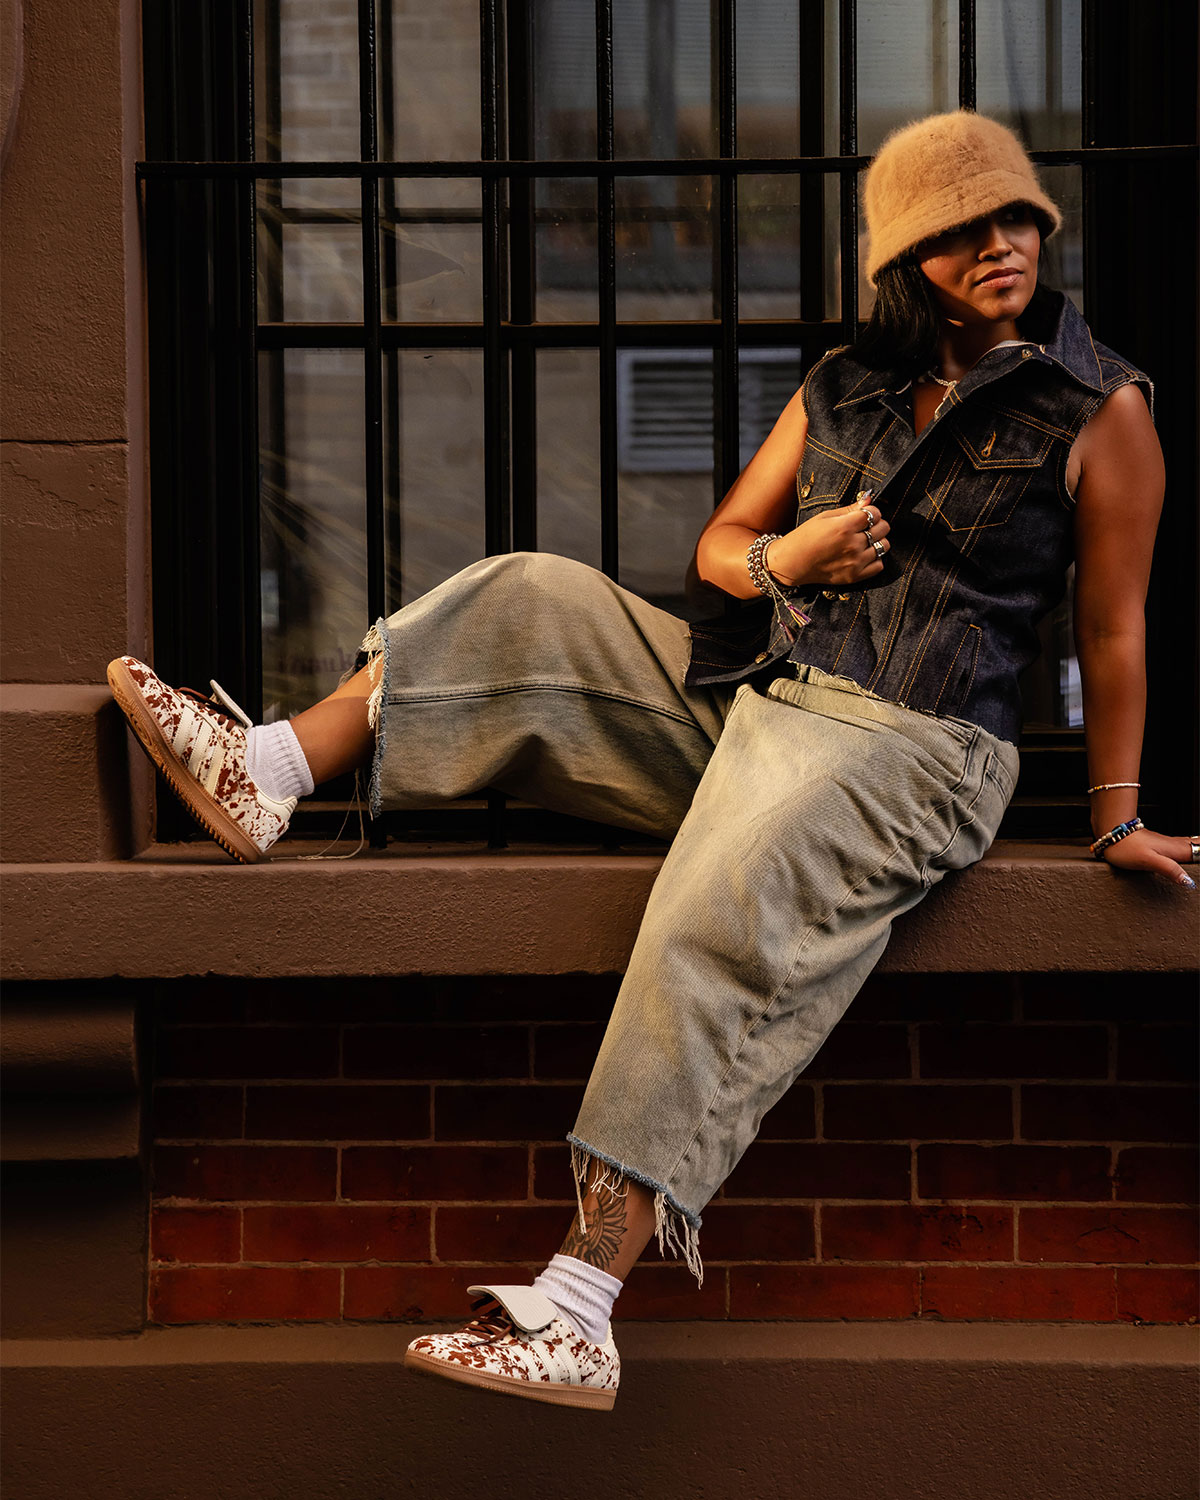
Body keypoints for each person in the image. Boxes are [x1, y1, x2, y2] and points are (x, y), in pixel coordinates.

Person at [107, 111, 1196, 1411]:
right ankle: (273, 771)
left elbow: (1114, 630)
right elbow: (720, 550)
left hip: (919, 744)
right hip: (763, 699)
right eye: (964, 228)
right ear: (909, 257)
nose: (1003, 244)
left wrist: (1115, 816)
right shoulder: (845, 383)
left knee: (719, 895)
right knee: (529, 594)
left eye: (1019, 217)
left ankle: (580, 1305)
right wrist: (789, 559)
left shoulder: (1101, 407)